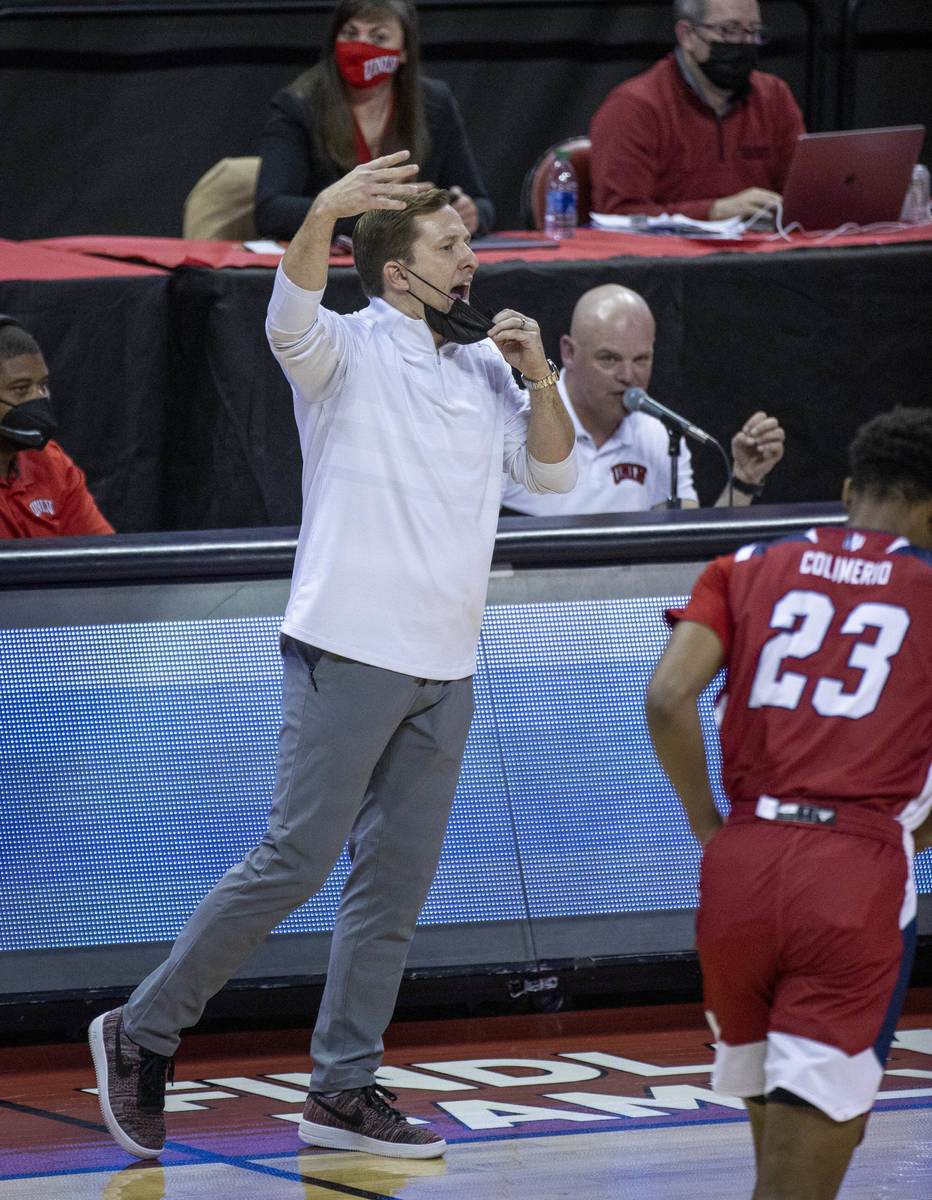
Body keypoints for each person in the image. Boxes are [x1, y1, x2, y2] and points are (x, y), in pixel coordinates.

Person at [89, 150, 576, 1163]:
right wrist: (321, 214)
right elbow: (286, 314)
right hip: (349, 648)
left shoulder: (489, 365)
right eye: (451, 247)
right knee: (293, 861)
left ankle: (343, 1088)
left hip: (448, 665)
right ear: (398, 269)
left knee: (390, 896)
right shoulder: (345, 351)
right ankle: (140, 1031)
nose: (470, 262)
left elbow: (554, 476)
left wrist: (539, 378)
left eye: (469, 244)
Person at [644, 405, 932, 1200]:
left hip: (741, 867)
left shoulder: (742, 565)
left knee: (774, 1172)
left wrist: (711, 828)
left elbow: (668, 698)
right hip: (853, 871)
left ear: (847, 491)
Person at [501, 283, 784, 516]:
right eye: (609, 359)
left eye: (641, 360)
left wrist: (744, 480)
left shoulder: (659, 434)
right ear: (569, 352)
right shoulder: (517, 423)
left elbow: (688, 551)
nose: (628, 376)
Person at [255, 0, 495, 241]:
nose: (361, 46)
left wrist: (471, 214)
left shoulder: (434, 102)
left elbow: (481, 203)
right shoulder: (298, 105)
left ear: (403, 52)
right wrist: (372, 212)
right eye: (350, 34)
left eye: (378, 37)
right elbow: (271, 213)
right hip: (327, 265)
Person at [589, 0, 805, 222]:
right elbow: (618, 216)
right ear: (687, 35)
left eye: (753, 32)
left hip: (763, 251)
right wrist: (713, 211)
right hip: (669, 254)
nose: (744, 43)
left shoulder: (774, 96)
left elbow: (805, 193)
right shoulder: (635, 107)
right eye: (729, 31)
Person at [0, 315, 113, 538]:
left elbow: (102, 558)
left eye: (43, 387)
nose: (38, 400)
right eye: (21, 389)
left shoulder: (52, 464)